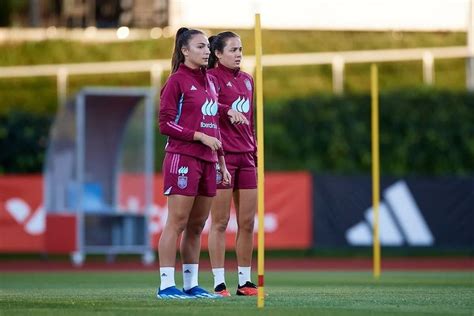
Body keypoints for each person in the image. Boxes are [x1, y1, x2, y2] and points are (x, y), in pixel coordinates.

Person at [156, 27, 236, 299]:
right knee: (176, 222)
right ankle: (166, 284)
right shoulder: (176, 81)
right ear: (185, 51)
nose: (206, 51)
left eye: (206, 47)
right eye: (200, 47)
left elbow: (214, 126)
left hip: (209, 160)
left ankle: (190, 285)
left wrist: (222, 162)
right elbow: (165, 124)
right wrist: (198, 136)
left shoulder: (210, 82)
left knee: (197, 226)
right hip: (183, 157)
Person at [207, 31, 258, 297]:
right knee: (220, 221)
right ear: (217, 54)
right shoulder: (210, 78)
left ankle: (245, 282)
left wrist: (256, 151)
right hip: (222, 157)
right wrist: (226, 108)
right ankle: (218, 282)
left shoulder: (248, 80)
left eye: (241, 49)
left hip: (247, 156)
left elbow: (252, 121)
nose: (239, 54)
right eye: (233, 50)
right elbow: (203, 105)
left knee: (247, 222)